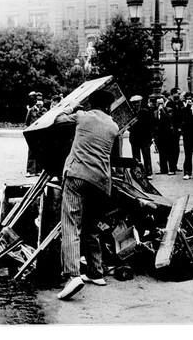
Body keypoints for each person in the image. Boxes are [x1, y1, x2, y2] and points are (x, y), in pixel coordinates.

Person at [53, 90, 119, 300]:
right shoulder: (113, 126)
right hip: (101, 182)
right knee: (91, 226)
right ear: (109, 106)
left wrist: (72, 106)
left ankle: (72, 276)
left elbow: (57, 120)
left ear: (91, 104)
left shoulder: (82, 116)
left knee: (71, 225)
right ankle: (95, 272)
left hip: (77, 175)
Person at [128, 95, 153, 178]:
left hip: (144, 137)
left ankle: (148, 173)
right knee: (136, 157)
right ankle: (138, 173)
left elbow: (150, 125)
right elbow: (128, 126)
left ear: (140, 103)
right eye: (135, 104)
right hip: (135, 137)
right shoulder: (130, 113)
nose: (136, 105)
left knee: (146, 155)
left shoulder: (145, 112)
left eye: (138, 103)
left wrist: (150, 137)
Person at [153, 98, 177, 175]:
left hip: (168, 134)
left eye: (161, 103)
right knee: (162, 152)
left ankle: (172, 169)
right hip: (160, 135)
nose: (160, 105)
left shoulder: (169, 110)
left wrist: (162, 111)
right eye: (158, 103)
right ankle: (163, 169)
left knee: (170, 152)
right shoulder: (155, 112)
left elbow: (169, 118)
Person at [25, 98, 46, 177]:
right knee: (31, 152)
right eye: (38, 100)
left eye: (41, 100)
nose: (40, 102)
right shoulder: (31, 110)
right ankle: (29, 171)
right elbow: (27, 121)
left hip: (41, 133)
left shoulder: (44, 110)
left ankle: (39, 170)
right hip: (32, 133)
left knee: (40, 151)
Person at [165, 88, 184, 171]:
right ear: (173, 94)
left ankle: (174, 165)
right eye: (177, 94)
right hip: (170, 128)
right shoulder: (169, 103)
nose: (179, 96)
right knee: (170, 147)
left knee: (176, 148)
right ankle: (171, 165)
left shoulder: (180, 103)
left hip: (178, 128)